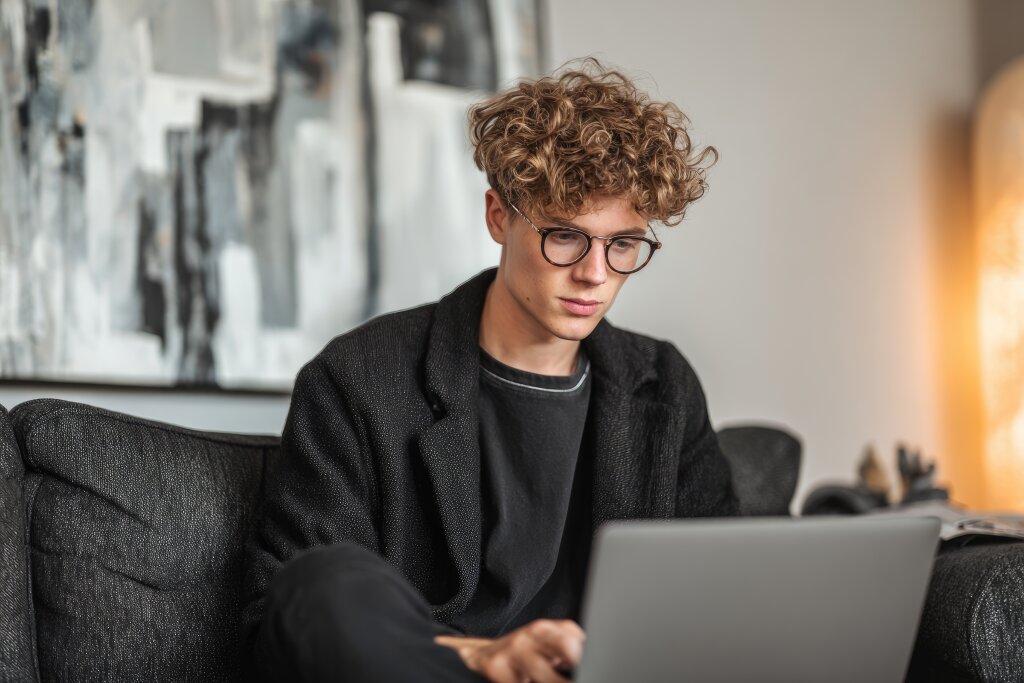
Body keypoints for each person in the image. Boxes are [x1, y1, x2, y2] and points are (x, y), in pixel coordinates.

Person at [241, 60, 738, 683]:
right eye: (565, 236)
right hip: (438, 675)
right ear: (499, 216)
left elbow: (725, 591)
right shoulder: (359, 377)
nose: (595, 274)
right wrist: (476, 656)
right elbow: (288, 614)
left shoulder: (664, 387)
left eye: (623, 244)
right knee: (321, 579)